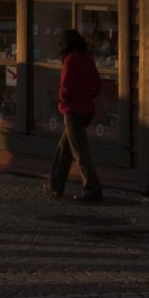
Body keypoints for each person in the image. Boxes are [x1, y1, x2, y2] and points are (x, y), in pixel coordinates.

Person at [51, 28, 104, 203]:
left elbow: (65, 87)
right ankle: (55, 185)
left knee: (79, 151)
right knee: (65, 147)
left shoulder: (71, 59)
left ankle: (92, 189)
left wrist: (62, 103)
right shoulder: (87, 58)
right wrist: (87, 96)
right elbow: (96, 85)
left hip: (74, 110)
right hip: (87, 109)